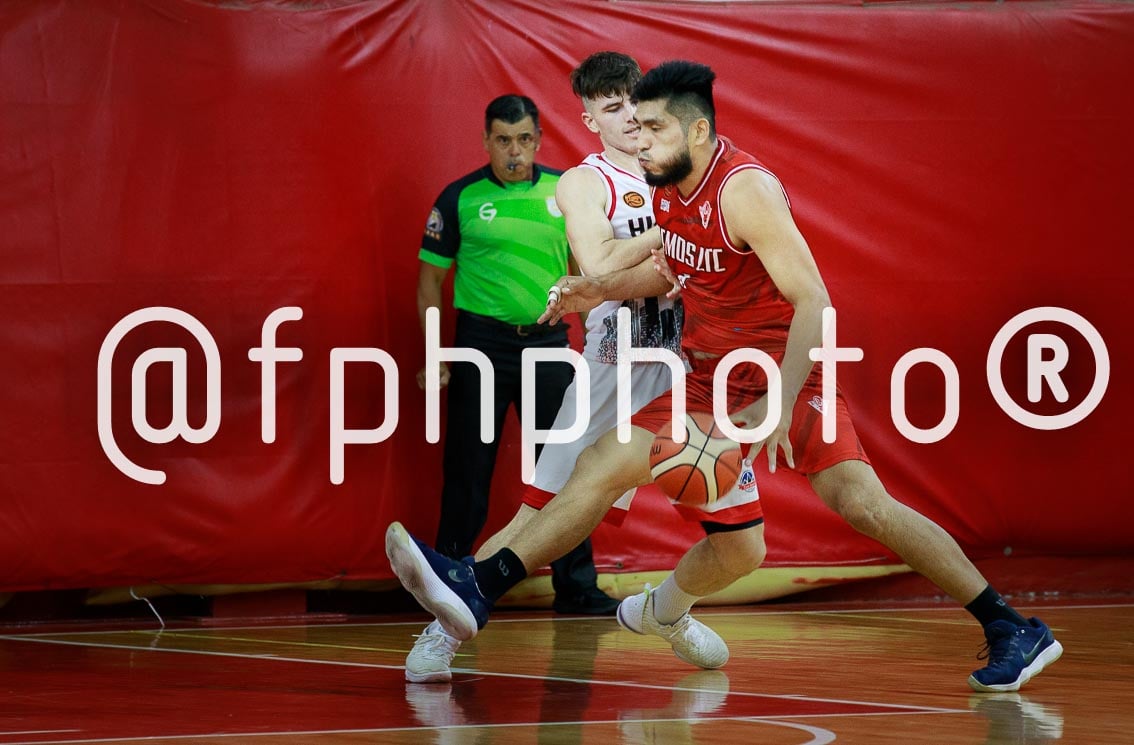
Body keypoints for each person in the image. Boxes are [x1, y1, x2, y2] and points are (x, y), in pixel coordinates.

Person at [391, 61, 1062, 694]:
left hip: (782, 371)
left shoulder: (745, 190)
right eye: (635, 126)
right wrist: (595, 289)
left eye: (654, 128)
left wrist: (779, 403)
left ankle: (1011, 626)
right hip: (708, 376)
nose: (641, 139)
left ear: (698, 131)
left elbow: (815, 301)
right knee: (605, 467)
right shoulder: (665, 189)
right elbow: (671, 266)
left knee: (864, 507)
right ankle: (482, 585)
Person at [405, 52, 684, 684]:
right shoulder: (585, 183)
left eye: (634, 102)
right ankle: (448, 622)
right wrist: (676, 233)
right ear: (589, 120)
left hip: (686, 365)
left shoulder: (680, 168)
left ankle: (669, 607)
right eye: (611, 108)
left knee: (733, 519)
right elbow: (601, 264)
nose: (629, 117)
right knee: (542, 505)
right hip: (613, 366)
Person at [413, 94, 612, 627]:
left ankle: (577, 587)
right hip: (480, 346)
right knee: (468, 469)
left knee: (565, 467)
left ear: (539, 140)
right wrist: (435, 353)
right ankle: (447, 583)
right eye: (503, 140)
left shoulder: (564, 194)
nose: (515, 151)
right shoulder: (459, 198)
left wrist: (599, 348)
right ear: (486, 141)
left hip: (548, 343)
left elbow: (587, 275)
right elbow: (429, 284)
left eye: (524, 139)